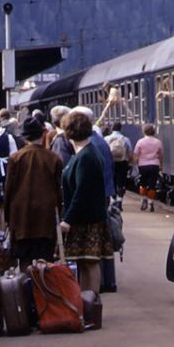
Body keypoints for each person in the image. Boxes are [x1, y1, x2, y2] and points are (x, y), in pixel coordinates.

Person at [59, 111, 114, 297]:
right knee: (84, 261)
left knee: (90, 261)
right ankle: (85, 300)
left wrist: (67, 219)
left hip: (87, 219)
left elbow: (81, 192)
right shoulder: (85, 154)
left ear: (69, 132)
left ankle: (91, 302)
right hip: (86, 217)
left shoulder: (86, 157)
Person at [3, 115, 64, 266]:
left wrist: (7, 217)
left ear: (24, 137)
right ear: (43, 134)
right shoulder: (54, 158)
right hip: (46, 217)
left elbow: (8, 189)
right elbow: (59, 189)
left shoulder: (15, 158)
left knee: (24, 260)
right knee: (45, 260)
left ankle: (27, 288)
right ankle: (42, 288)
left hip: (21, 216)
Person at [133, 124, 163, 211]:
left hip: (143, 165)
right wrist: (161, 165)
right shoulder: (158, 142)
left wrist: (135, 163)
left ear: (144, 131)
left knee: (143, 183)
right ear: (153, 131)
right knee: (152, 185)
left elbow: (136, 154)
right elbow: (160, 155)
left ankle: (144, 200)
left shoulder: (140, 142)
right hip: (154, 165)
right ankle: (151, 202)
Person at [105, 123, 132, 200]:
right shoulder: (125, 139)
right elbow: (130, 152)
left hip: (110, 162)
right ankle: (119, 200)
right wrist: (129, 162)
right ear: (121, 129)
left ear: (111, 128)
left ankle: (113, 200)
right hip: (123, 162)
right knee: (121, 181)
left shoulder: (107, 139)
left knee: (112, 180)